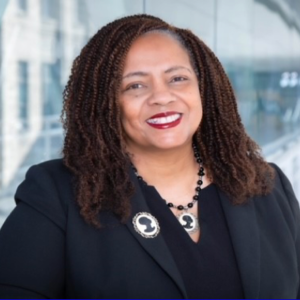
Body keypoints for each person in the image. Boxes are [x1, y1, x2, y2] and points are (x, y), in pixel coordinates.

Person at [0, 14, 299, 299]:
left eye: (178, 78)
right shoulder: (57, 194)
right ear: (107, 104)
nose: (161, 96)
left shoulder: (268, 186)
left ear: (203, 88)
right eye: (135, 85)